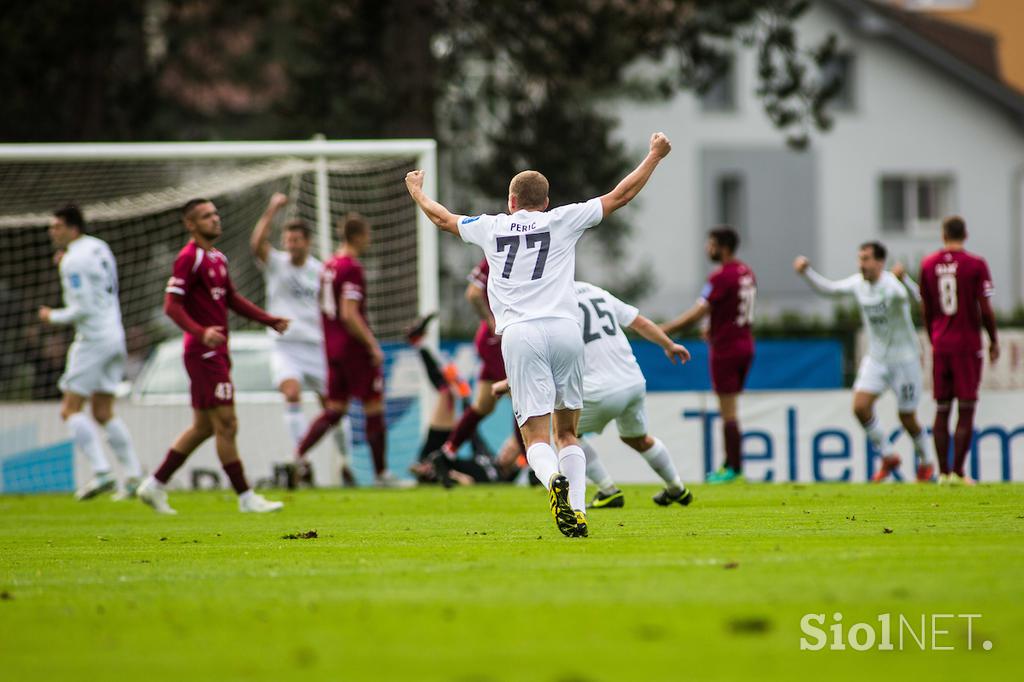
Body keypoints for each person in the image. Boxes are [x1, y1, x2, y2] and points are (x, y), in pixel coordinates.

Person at [406, 131, 673, 538]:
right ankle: (579, 511)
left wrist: (417, 191)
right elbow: (620, 195)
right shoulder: (562, 219)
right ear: (545, 202)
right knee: (569, 433)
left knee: (536, 437)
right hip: (568, 330)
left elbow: (442, 218)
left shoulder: (491, 227)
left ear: (510, 202)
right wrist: (654, 155)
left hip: (519, 334)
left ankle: (553, 484)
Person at [137, 199, 287, 514]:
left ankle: (154, 485)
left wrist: (269, 320)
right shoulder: (188, 258)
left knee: (204, 427)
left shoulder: (217, 257)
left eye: (215, 214)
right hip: (203, 352)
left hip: (217, 350)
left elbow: (231, 298)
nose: (214, 219)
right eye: (206, 216)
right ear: (191, 224)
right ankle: (246, 497)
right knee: (227, 423)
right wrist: (200, 331)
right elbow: (171, 306)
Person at [494, 280, 693, 508]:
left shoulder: (552, 302)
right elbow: (639, 322)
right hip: (633, 381)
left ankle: (608, 490)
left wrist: (508, 383)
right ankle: (677, 487)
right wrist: (669, 345)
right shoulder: (597, 291)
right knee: (637, 438)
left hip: (599, 388)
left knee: (565, 434)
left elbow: (545, 359)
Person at [794, 243, 934, 482]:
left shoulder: (892, 287)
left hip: (905, 360)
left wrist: (906, 281)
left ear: (880, 262)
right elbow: (830, 290)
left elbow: (922, 301)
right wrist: (807, 272)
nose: (861, 264)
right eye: (860, 258)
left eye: (866, 259)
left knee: (907, 417)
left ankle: (927, 462)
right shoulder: (858, 283)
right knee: (860, 407)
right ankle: (889, 456)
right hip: (877, 359)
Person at [38, 204, 145, 501]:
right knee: (103, 411)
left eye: (56, 226)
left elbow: (81, 308)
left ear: (72, 228)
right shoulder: (99, 247)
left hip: (93, 340)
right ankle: (134, 476)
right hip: (114, 334)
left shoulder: (73, 261)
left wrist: (51, 316)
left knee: (69, 409)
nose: (52, 231)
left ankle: (101, 473)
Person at [249, 192, 355, 486]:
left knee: (334, 409)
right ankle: (302, 462)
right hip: (286, 346)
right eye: (288, 240)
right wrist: (271, 210)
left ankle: (347, 464)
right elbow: (257, 245)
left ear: (307, 242)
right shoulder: (277, 264)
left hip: (317, 347)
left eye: (296, 240)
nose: (291, 245)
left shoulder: (320, 271)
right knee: (292, 393)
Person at [292, 213, 404, 487]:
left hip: (332, 347)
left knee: (335, 409)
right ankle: (381, 475)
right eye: (366, 235)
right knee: (373, 406)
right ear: (357, 236)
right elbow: (349, 313)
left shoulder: (328, 265)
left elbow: (323, 305)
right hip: (353, 347)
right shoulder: (351, 267)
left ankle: (297, 455)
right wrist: (371, 344)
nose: (368, 240)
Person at [661, 226, 755, 484]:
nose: (707, 248)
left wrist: (663, 330)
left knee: (728, 411)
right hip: (746, 344)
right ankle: (730, 464)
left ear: (722, 247)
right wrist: (712, 327)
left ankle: (733, 469)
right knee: (732, 408)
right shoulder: (746, 272)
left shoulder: (720, 276)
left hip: (726, 348)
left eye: (710, 243)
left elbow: (698, 311)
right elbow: (731, 310)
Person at [919, 216, 998, 485]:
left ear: (943, 235)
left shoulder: (928, 264)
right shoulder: (975, 264)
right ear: (966, 234)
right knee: (966, 408)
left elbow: (926, 309)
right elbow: (985, 308)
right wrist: (993, 340)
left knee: (942, 409)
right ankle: (959, 472)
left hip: (941, 343)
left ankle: (942, 473)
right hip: (967, 343)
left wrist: (934, 338)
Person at [429, 258, 508, 463]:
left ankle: (447, 453)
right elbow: (473, 293)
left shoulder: (503, 248)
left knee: (483, 404)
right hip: (497, 341)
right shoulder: (500, 251)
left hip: (494, 340)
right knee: (523, 398)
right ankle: (531, 466)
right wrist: (492, 322)